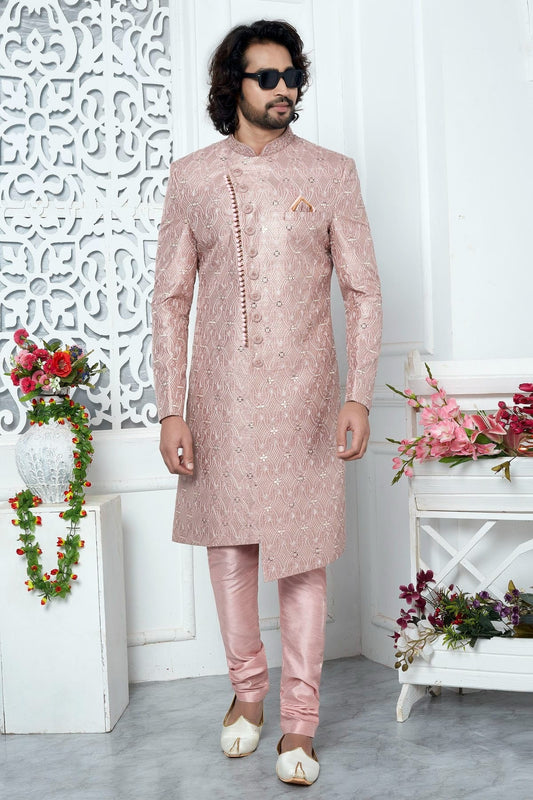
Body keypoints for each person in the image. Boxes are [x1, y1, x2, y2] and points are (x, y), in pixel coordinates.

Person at [151, 19, 382, 787]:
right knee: (230, 547)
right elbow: (170, 298)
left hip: (306, 396)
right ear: (233, 86)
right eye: (268, 77)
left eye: (292, 76)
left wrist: (358, 395)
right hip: (217, 396)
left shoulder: (330, 173)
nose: (285, 89)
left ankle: (300, 721)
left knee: (302, 554)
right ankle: (247, 693)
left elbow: (362, 291)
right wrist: (170, 406)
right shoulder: (192, 177)